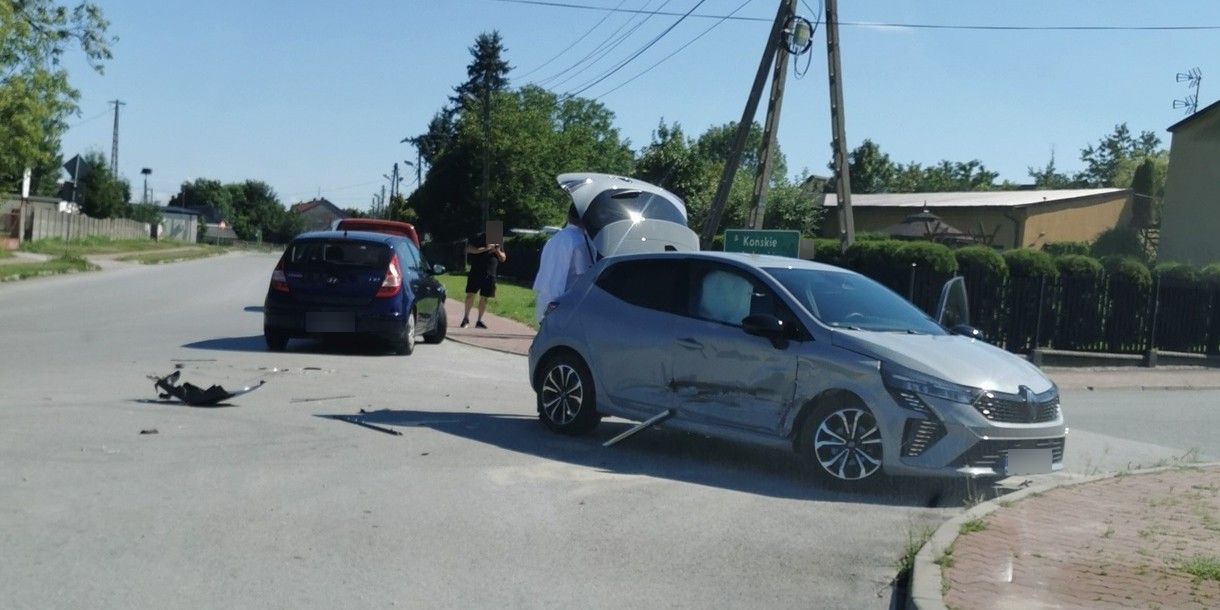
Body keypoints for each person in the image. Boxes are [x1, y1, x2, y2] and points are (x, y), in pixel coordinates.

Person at [532, 205, 596, 322]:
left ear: (568, 216)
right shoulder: (581, 241)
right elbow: (586, 275)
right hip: (566, 304)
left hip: (545, 297)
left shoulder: (554, 238)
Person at [462, 231, 506, 329]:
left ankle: (479, 320)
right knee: (470, 295)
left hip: (490, 273)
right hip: (476, 271)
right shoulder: (478, 237)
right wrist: (486, 248)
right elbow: (468, 249)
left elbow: (503, 258)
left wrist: (496, 251)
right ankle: (466, 318)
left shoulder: (497, 240)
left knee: (485, 298)